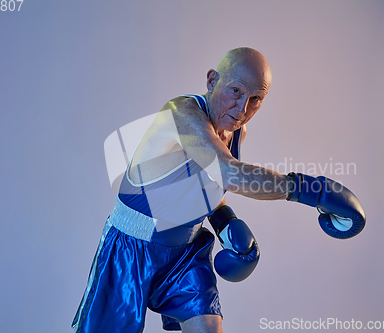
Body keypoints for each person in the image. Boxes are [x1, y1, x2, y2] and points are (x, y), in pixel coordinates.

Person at [72, 47, 365, 333]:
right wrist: (311, 190)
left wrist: (226, 222)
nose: (242, 109)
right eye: (236, 91)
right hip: (130, 248)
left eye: (256, 99)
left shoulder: (236, 130)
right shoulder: (180, 115)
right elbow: (229, 173)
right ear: (213, 80)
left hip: (184, 255)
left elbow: (211, 184)